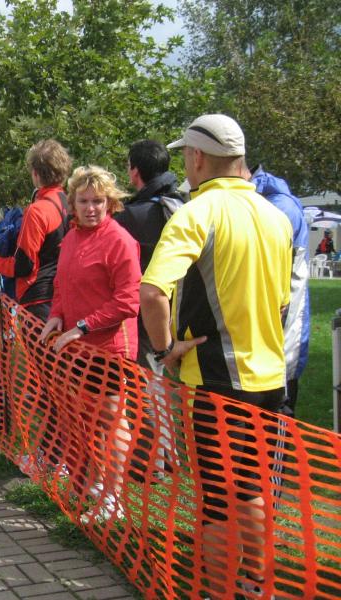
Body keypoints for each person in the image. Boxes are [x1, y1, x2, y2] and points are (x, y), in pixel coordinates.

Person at [140, 114, 292, 598]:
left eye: (186, 156)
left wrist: (165, 349)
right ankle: (257, 586)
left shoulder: (196, 212)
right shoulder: (275, 216)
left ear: (197, 157)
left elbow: (152, 293)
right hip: (270, 378)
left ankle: (219, 591)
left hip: (217, 383)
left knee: (217, 500)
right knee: (252, 488)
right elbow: (282, 303)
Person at [41, 165, 141, 524]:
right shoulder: (71, 237)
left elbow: (128, 300)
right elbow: (61, 283)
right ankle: (93, 484)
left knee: (110, 422)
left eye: (98, 201)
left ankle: (114, 498)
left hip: (109, 349)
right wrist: (56, 315)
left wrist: (83, 327)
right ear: (72, 204)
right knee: (82, 418)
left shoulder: (119, 240)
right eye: (83, 201)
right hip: (77, 347)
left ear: (110, 203)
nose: (91, 208)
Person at [114, 140, 184, 374]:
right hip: (180, 306)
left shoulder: (130, 217)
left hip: (147, 312)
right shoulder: (183, 205)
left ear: (135, 171)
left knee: (148, 380)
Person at [249, 165, 310, 416]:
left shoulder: (278, 207)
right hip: (262, 338)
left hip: (282, 334)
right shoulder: (261, 202)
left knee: (275, 419)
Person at [0, 139, 71, 320]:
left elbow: (24, 265)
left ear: (35, 173)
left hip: (38, 299)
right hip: (63, 294)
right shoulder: (70, 203)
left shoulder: (38, 210)